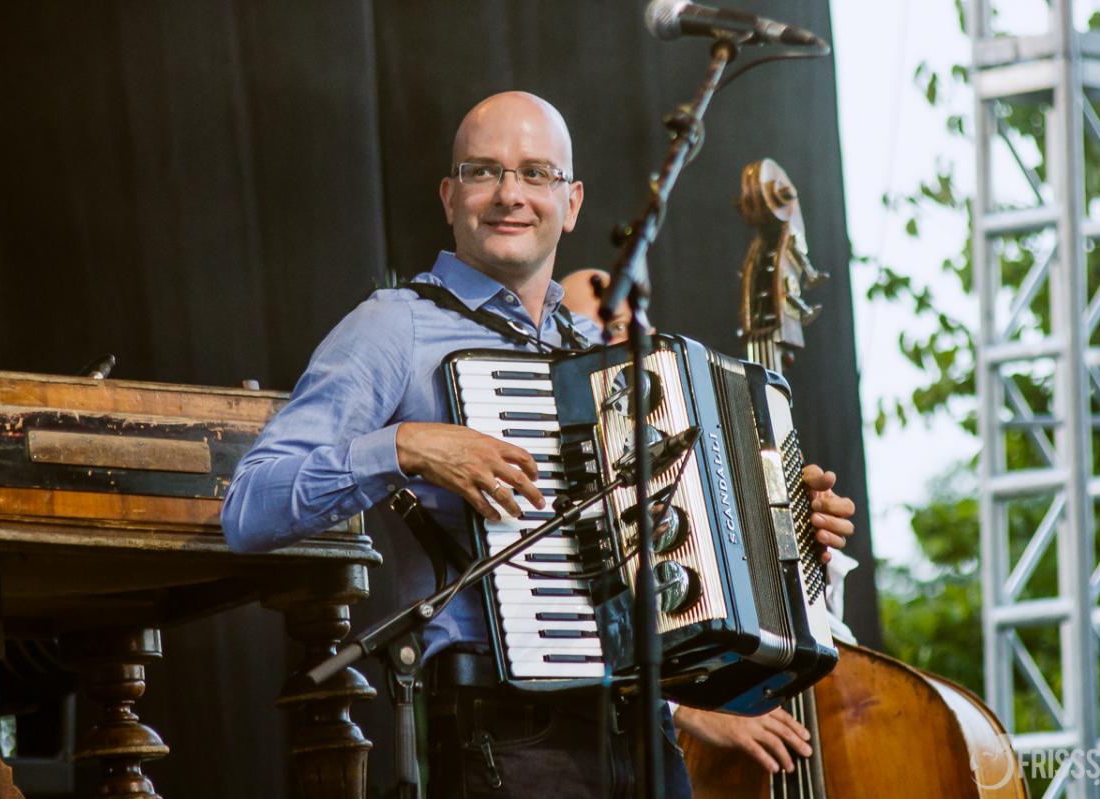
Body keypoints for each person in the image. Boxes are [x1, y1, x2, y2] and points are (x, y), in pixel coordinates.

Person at [222, 91, 854, 796]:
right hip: (507, 732)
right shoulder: (393, 327)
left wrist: (786, 525)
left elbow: (680, 544)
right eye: (483, 171)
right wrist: (404, 445)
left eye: (535, 173)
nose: (509, 194)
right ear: (450, 196)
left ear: (571, 202)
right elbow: (248, 508)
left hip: (645, 731)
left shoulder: (604, 355)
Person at [558, 267, 857, 775]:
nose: (624, 344)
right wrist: (690, 706)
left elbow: (814, 620)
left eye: (631, 326)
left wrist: (805, 539)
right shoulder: (563, 458)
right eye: (598, 332)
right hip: (589, 748)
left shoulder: (698, 422)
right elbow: (575, 627)